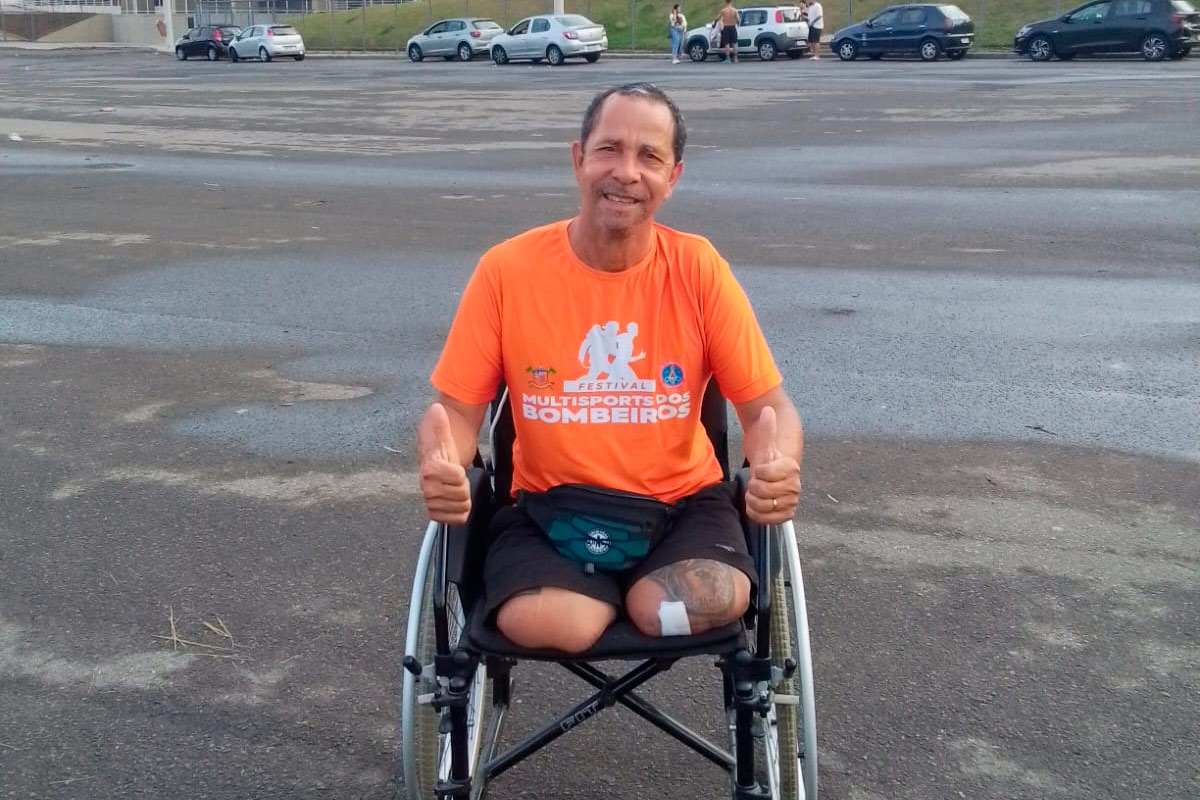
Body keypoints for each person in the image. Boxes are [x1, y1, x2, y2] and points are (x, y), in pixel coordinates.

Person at [418, 83, 803, 655]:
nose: (626, 172)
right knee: (558, 624)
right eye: (609, 149)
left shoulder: (698, 269)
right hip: (549, 510)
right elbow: (455, 412)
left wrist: (777, 466)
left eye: (649, 156)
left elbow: (770, 408)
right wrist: (442, 462)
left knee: (703, 598)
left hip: (682, 509)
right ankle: (601, 596)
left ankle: (628, 596)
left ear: (672, 177)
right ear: (578, 159)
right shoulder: (508, 271)